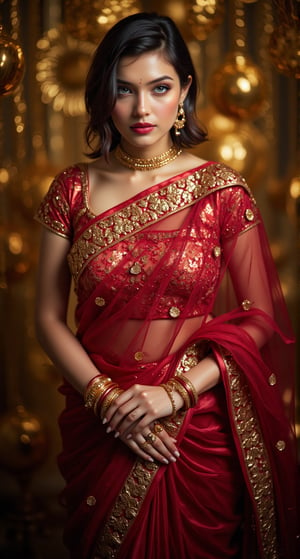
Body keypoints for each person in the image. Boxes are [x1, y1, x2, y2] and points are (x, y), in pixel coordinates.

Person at [34, 12, 299, 559]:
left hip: (192, 429)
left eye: (159, 88)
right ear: (104, 94)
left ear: (184, 92)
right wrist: (108, 401)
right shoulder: (72, 190)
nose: (141, 108)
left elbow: (259, 319)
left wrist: (173, 393)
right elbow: (45, 318)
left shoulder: (221, 191)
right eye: (123, 89)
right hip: (100, 421)